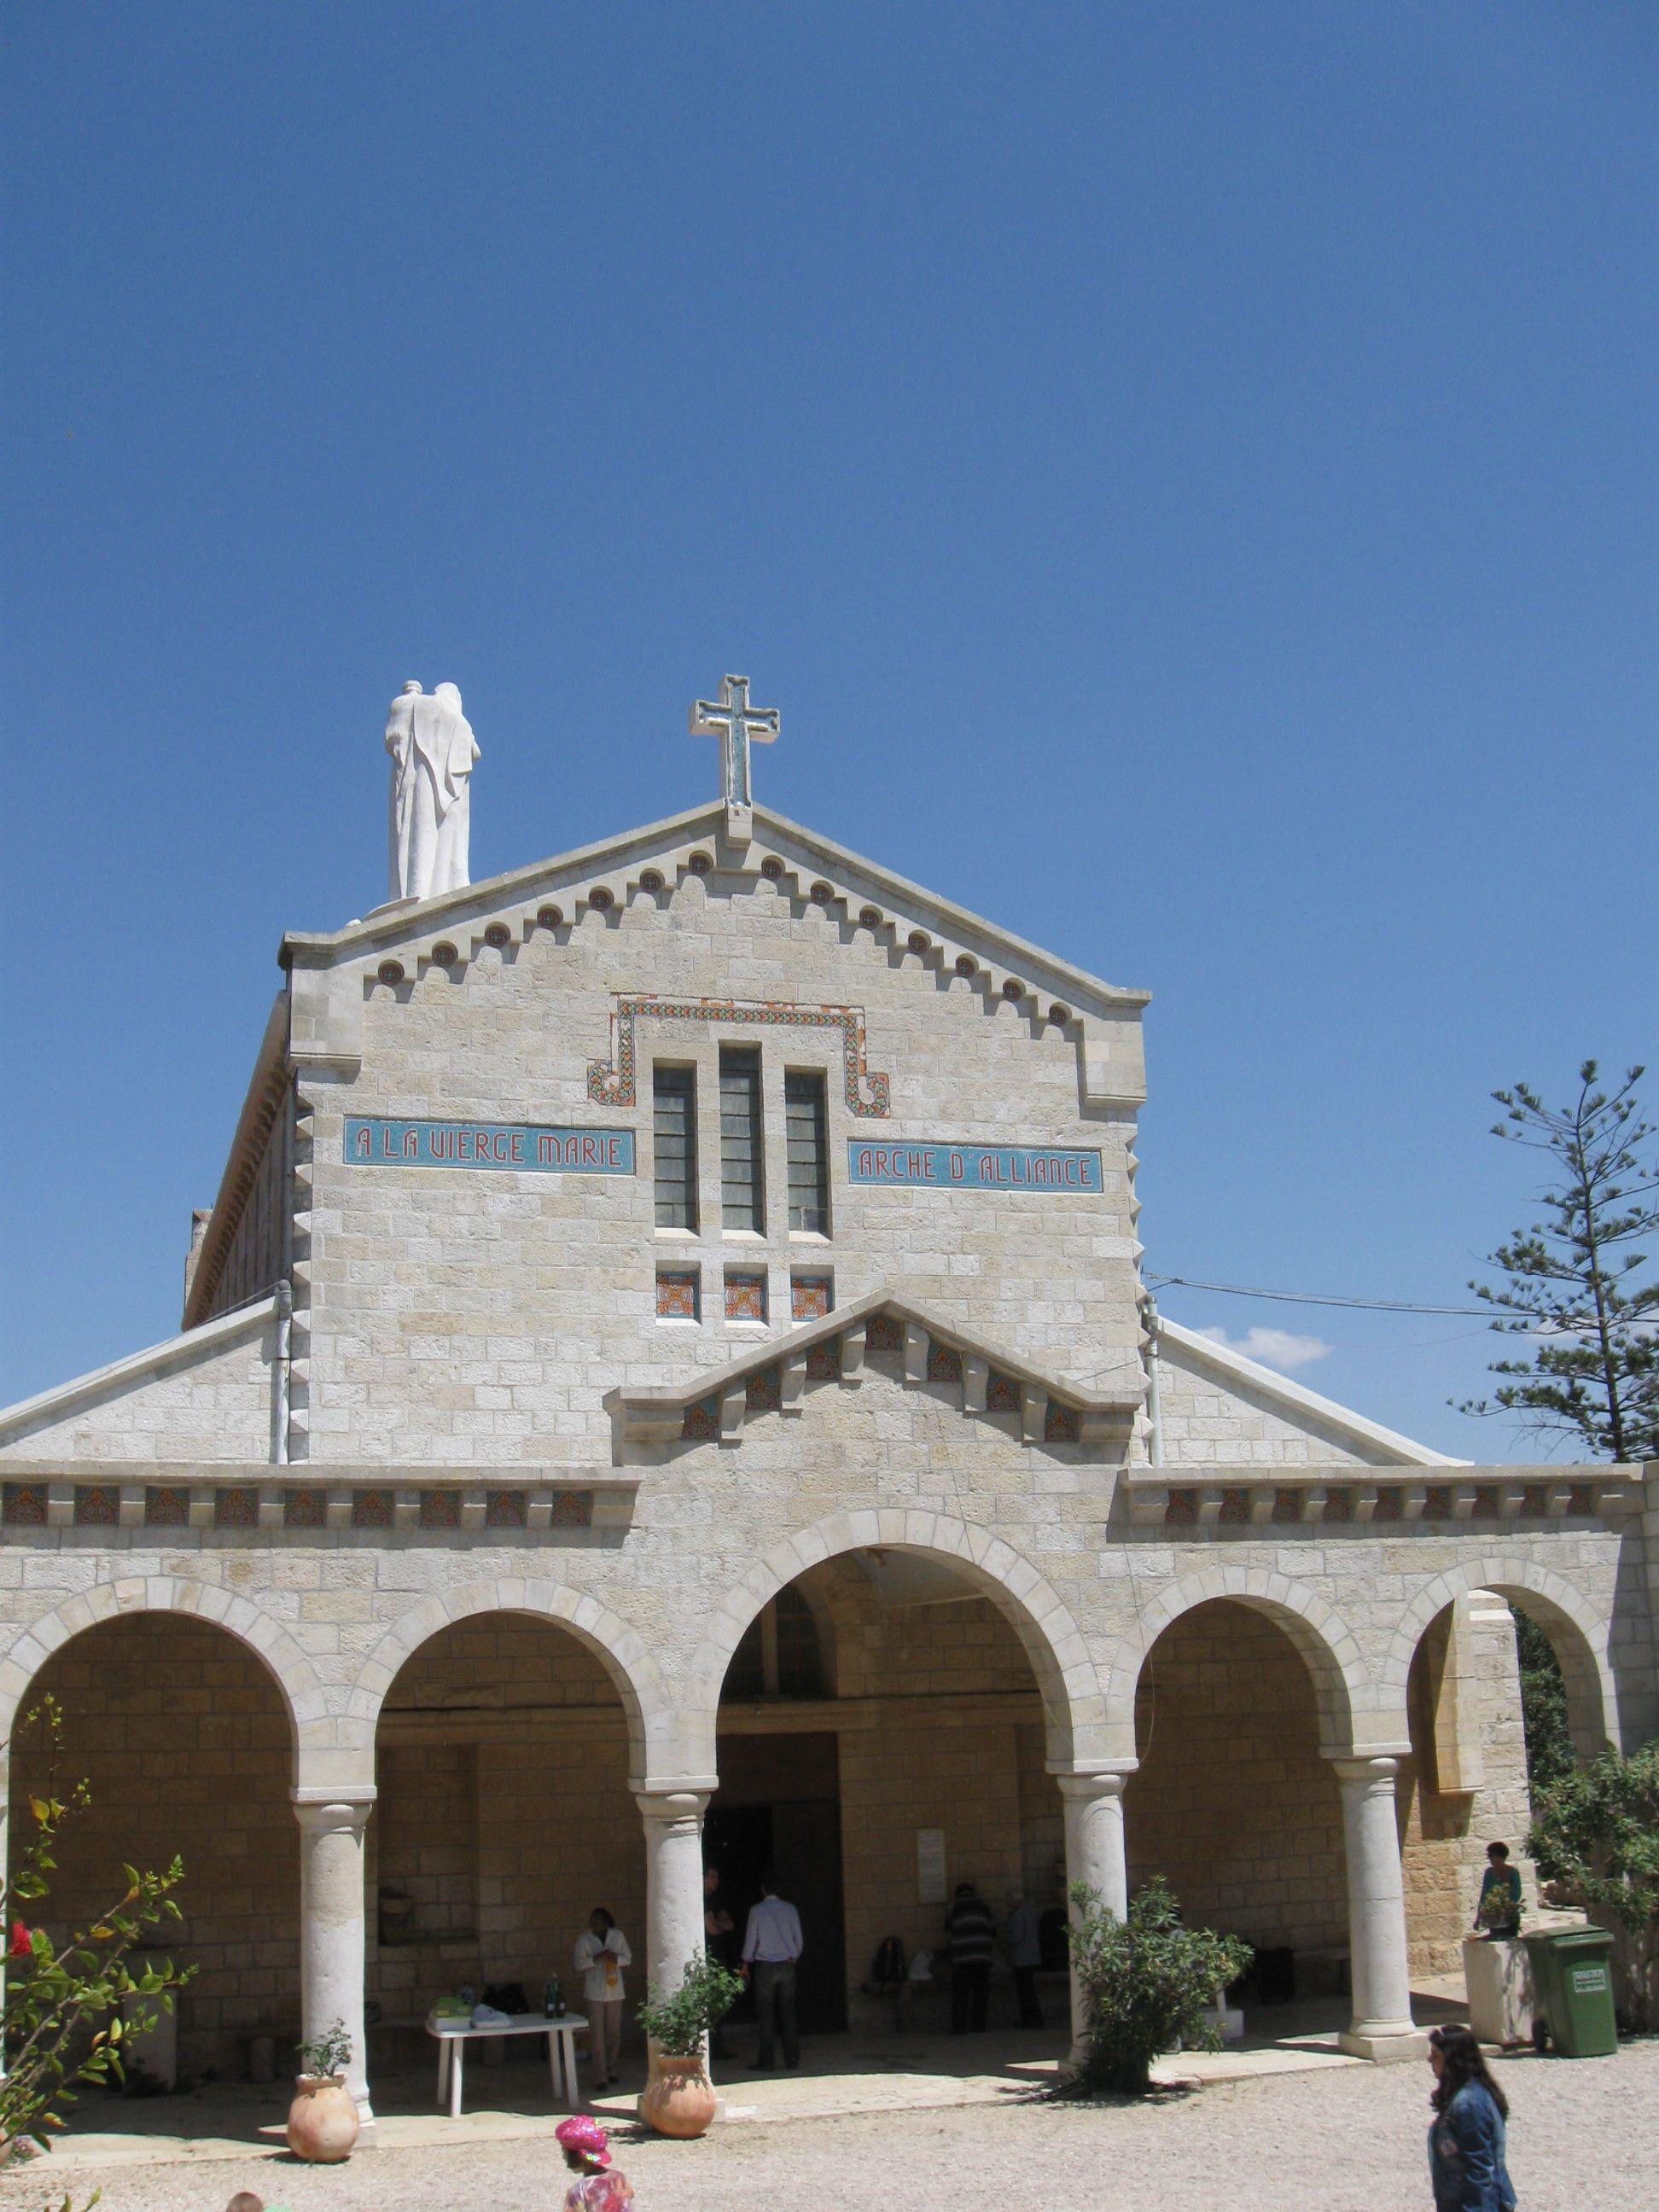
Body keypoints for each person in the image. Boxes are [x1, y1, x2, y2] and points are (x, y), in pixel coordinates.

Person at [1427, 2024, 1516, 2211]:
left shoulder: (1469, 2105)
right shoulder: (1465, 2097)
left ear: (1452, 2059)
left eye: (1435, 2055)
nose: (1430, 2060)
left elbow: (1480, 2171)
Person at [741, 1872, 804, 2069]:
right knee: (788, 2012)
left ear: (762, 1889)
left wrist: (745, 1963)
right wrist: (794, 1956)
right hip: (786, 1965)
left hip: (765, 1966)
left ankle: (767, 2060)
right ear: (780, 1889)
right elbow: (798, 1938)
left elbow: (751, 1938)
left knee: (766, 2014)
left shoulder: (757, 1911)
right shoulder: (790, 1909)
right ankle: (791, 2058)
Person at [573, 1907, 632, 2092]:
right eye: (592, 1922)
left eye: (598, 1922)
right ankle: (600, 2076)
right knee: (597, 2034)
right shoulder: (585, 1939)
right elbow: (578, 1964)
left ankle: (612, 2068)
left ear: (606, 1923)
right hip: (595, 1992)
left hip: (615, 1991)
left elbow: (628, 1958)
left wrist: (617, 1958)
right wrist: (595, 1958)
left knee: (613, 2032)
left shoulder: (617, 1936)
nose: (594, 1925)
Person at [944, 1880, 997, 2034]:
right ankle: (979, 2025)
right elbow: (993, 1926)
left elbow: (948, 1932)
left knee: (961, 1993)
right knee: (981, 1992)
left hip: (961, 1957)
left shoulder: (953, 1907)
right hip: (982, 1955)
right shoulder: (983, 1905)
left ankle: (959, 2027)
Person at [556, 2114, 635, 2212]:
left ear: (580, 2156)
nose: (563, 2157)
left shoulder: (579, 2191)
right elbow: (629, 2196)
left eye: (564, 2152)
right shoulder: (619, 2178)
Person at [704, 1863, 736, 2058]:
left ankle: (718, 2047)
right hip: (707, 1959)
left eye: (717, 1877)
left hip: (719, 1958)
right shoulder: (701, 1900)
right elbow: (713, 1930)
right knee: (710, 2005)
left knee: (720, 2004)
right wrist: (718, 1924)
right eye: (712, 1877)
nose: (716, 1881)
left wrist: (715, 1921)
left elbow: (730, 1924)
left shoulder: (716, 1901)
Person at [1003, 1889, 1045, 2029]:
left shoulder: (1018, 1914)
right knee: (1029, 1990)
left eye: (1009, 1901)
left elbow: (1017, 1936)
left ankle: (1029, 2019)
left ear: (1015, 1900)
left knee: (1024, 1991)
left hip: (1021, 1958)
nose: (1007, 1904)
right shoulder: (1031, 1911)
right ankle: (1035, 2018)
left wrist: (1006, 1935)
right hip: (1032, 1956)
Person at [1473, 1842, 1522, 1940]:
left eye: (1491, 1855)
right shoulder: (1488, 1873)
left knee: (1509, 1941)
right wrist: (1478, 1918)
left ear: (1500, 1856)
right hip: (1493, 1917)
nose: (1490, 1858)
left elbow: (1516, 1894)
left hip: (1510, 1916)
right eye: (1489, 1855)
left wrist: (1504, 1908)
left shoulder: (1513, 1873)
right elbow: (1484, 1895)